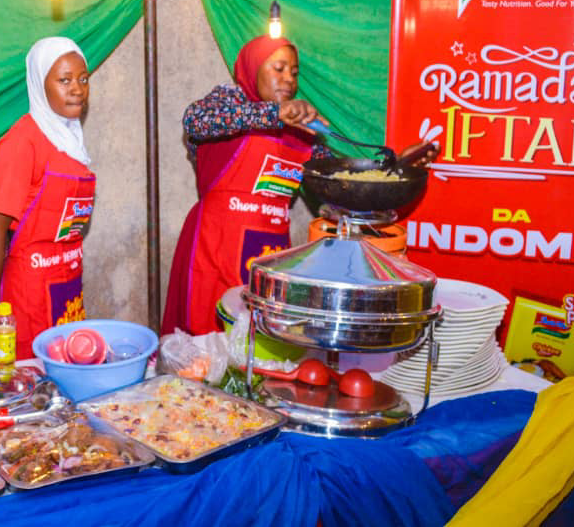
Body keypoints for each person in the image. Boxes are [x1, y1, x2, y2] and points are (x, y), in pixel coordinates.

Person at [161, 35, 434, 337]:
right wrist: (273, 114)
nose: (288, 79)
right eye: (278, 68)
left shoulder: (303, 132)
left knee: (262, 344)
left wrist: (397, 168)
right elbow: (195, 120)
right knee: (206, 345)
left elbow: (341, 183)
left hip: (270, 256)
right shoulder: (230, 103)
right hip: (213, 249)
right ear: (253, 70)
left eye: (293, 72)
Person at [0, 37, 95, 359]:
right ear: (40, 85)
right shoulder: (22, 143)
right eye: (64, 80)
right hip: (26, 298)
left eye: (83, 79)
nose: (77, 89)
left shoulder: (71, 144)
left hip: (67, 291)